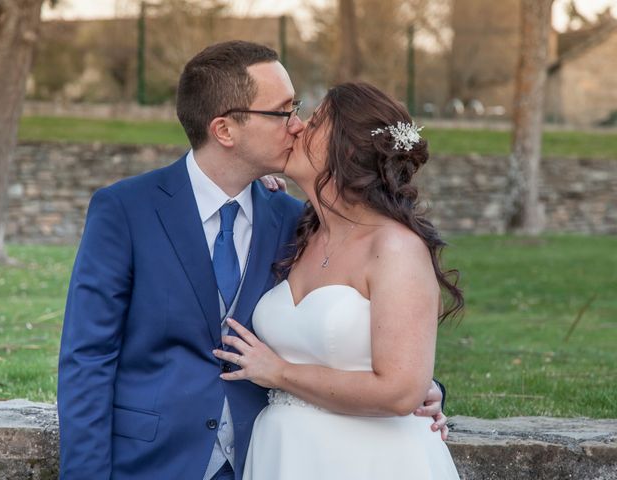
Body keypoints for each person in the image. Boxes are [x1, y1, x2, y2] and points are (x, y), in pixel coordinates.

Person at [57, 41, 447, 480]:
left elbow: (377, 336)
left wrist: (422, 390)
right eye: (283, 112)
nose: (297, 125)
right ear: (224, 130)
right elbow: (87, 358)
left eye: (298, 109)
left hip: (261, 460)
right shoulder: (126, 210)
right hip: (154, 462)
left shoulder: (293, 221)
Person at [214, 82, 463, 479]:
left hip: (368, 461)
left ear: (344, 149)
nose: (295, 127)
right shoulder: (299, 231)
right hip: (284, 455)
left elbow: (400, 391)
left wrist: (278, 374)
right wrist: (249, 182)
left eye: (313, 123)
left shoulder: (394, 247)